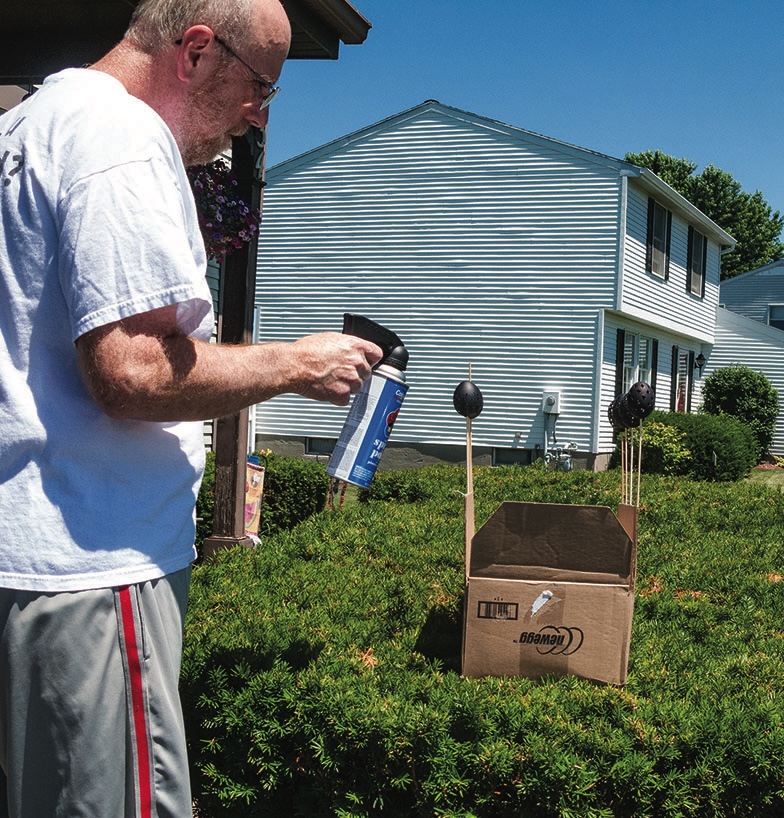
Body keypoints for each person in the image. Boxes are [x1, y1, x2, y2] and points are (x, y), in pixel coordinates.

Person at [0, 0, 382, 815]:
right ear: (197, 50)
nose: (260, 114)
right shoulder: (122, 141)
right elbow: (132, 371)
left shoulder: (30, 125)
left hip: (29, 556)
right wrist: (296, 362)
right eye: (261, 88)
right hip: (96, 561)